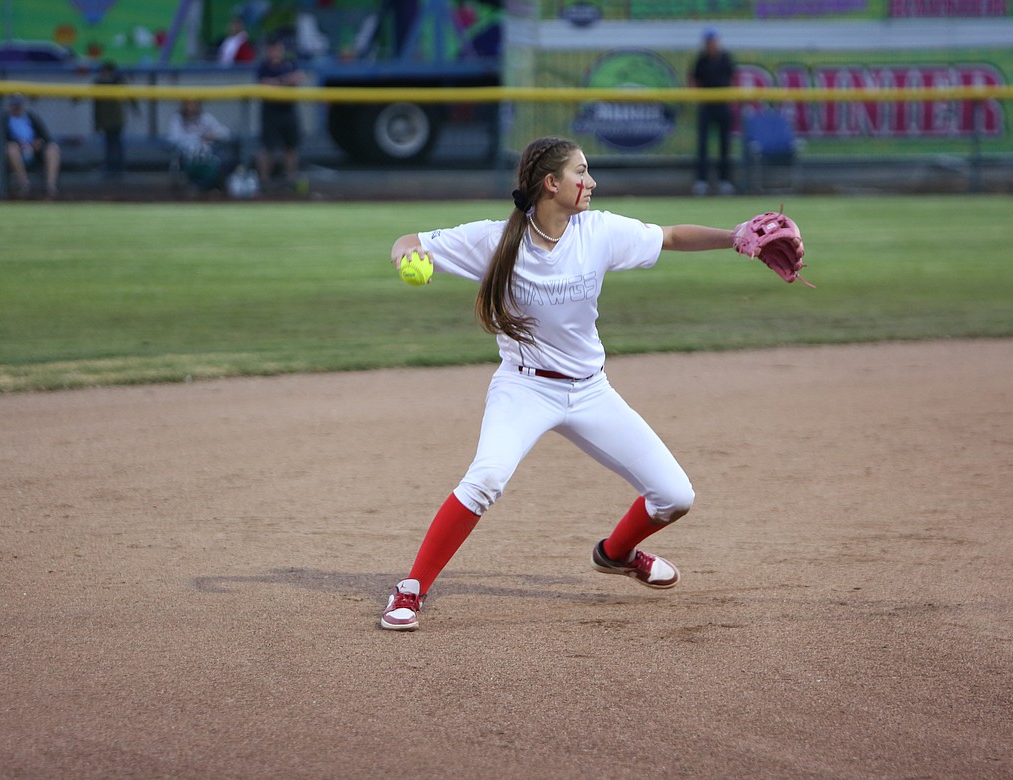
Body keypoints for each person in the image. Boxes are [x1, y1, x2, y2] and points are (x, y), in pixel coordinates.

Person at [381, 136, 767, 632]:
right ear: (551, 183)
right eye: (581, 172)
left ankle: (617, 554)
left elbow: (669, 236)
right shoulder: (498, 240)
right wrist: (407, 260)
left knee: (675, 496)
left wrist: (736, 237)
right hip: (524, 389)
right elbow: (406, 242)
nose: (591, 182)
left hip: (590, 391)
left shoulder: (599, 232)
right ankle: (410, 590)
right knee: (486, 480)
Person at [690, 27, 736, 196]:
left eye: (714, 41)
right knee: (703, 146)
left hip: (723, 105)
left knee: (724, 145)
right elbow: (694, 80)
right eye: (709, 42)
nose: (711, 45)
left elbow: (732, 78)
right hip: (706, 106)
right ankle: (701, 181)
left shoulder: (725, 58)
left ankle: (724, 181)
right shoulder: (701, 60)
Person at [255, 36, 305, 190]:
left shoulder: (289, 63)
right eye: (272, 49)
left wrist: (278, 82)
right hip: (271, 111)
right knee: (267, 147)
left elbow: (299, 77)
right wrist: (284, 82)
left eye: (277, 48)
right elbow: (264, 83)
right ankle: (264, 181)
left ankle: (291, 179)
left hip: (288, 110)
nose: (275, 52)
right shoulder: (264, 66)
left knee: (291, 146)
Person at [0, 94, 60, 198]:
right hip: (14, 155)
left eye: (19, 105)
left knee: (53, 148)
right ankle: (24, 185)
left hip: (34, 153)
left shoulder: (31, 117)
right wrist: (17, 145)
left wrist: (38, 143)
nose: (17, 108)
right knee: (11, 148)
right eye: (14, 105)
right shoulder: (4, 119)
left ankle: (50, 187)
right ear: (10, 106)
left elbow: (46, 138)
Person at [166, 99, 237, 190]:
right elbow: (173, 139)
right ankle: (197, 187)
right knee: (193, 160)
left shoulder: (206, 118)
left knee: (219, 160)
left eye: (194, 105)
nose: (191, 108)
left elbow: (225, 133)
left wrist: (212, 135)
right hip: (186, 155)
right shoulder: (177, 119)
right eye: (189, 105)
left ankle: (203, 189)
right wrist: (198, 138)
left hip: (207, 154)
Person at [91, 60, 137, 178]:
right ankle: (112, 166)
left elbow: (131, 96)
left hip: (116, 119)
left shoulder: (117, 81)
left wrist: (135, 108)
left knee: (115, 143)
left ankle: (117, 167)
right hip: (107, 119)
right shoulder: (101, 82)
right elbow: (96, 104)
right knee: (110, 143)